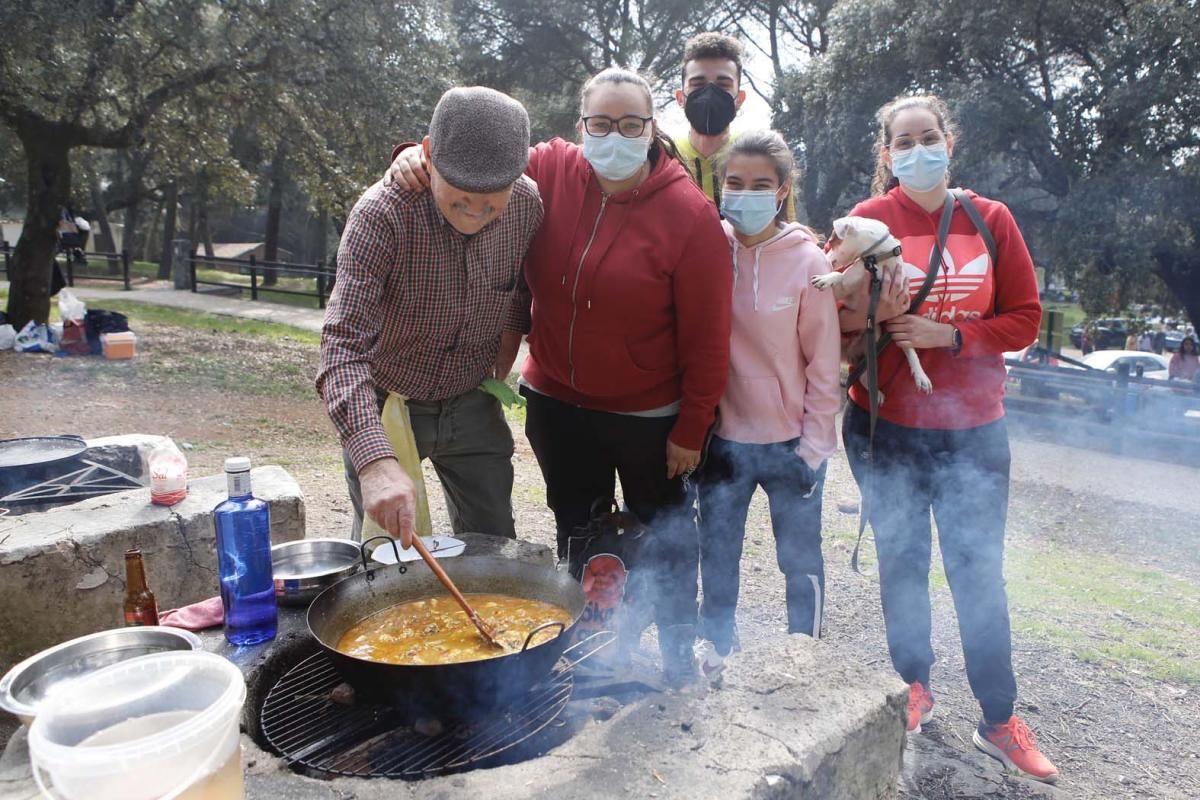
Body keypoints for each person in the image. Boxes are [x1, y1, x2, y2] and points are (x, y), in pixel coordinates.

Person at [388, 69, 732, 683]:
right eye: (601, 124)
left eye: (631, 125)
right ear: (582, 126)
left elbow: (710, 337)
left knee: (669, 535)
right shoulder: (548, 168)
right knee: (578, 525)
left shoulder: (690, 215)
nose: (615, 136)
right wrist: (414, 157)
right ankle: (589, 645)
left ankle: (679, 653)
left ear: (652, 129)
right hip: (556, 402)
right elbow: (474, 158)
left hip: (648, 414)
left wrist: (693, 425)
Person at [838, 95, 1058, 784]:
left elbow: (1024, 319)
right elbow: (827, 311)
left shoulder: (991, 220)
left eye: (927, 137)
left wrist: (950, 334)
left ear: (948, 142)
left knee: (978, 577)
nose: (916, 150)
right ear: (886, 154)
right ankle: (915, 688)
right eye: (902, 142)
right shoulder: (865, 221)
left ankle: (998, 719)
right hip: (885, 425)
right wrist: (872, 312)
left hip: (974, 432)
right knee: (901, 565)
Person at [317, 86, 543, 548]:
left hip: (473, 397)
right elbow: (340, 347)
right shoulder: (383, 214)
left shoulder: (528, 205)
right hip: (391, 397)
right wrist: (374, 462)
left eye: (492, 203)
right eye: (460, 198)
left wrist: (506, 345)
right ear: (427, 156)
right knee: (387, 559)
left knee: (495, 545)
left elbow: (521, 284)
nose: (477, 214)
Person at [695, 130, 840, 680]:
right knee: (719, 555)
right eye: (735, 182)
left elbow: (825, 364)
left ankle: (806, 656)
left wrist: (814, 448)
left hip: (789, 445)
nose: (745, 194)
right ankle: (715, 649)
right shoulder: (707, 246)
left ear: (781, 191)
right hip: (723, 441)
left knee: (799, 561)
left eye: (760, 184)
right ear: (719, 185)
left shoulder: (809, 262)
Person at [672, 33, 796, 220]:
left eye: (723, 85)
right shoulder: (664, 153)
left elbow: (786, 231)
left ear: (740, 98)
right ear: (681, 98)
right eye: (698, 84)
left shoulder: (763, 155)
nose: (710, 93)